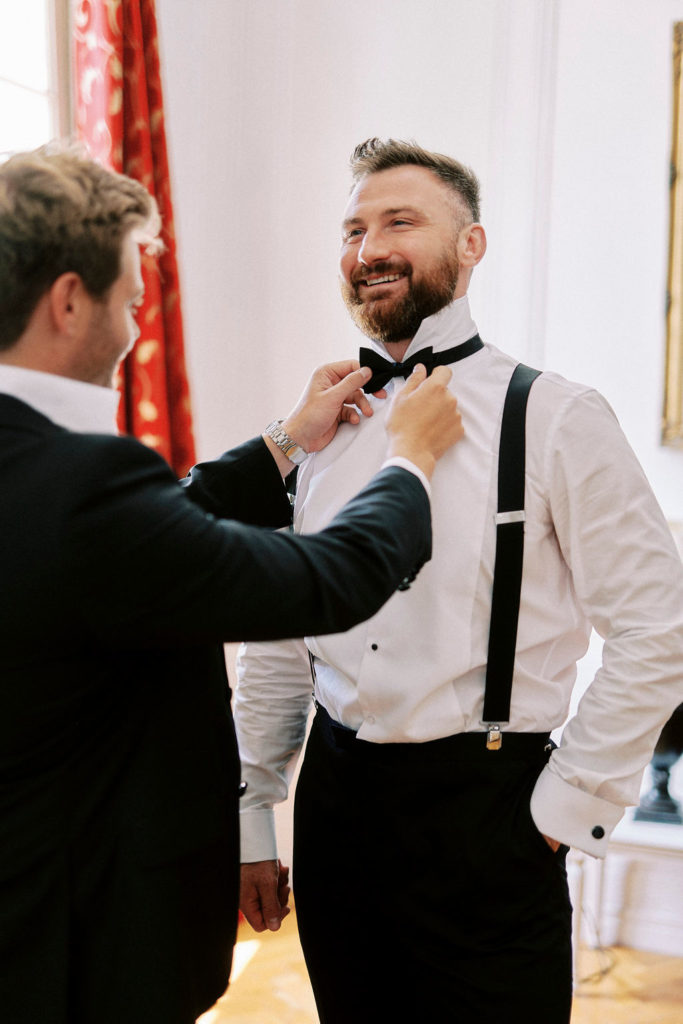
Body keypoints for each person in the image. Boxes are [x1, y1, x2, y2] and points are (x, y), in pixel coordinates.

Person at [0, 144, 465, 1024]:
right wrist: (410, 461)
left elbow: (157, 530)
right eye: (128, 303)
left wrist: (286, 442)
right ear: (68, 301)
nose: (137, 329)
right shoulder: (82, 486)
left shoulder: (45, 478)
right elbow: (329, 576)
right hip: (70, 943)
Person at [235, 138, 683, 1023]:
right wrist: (253, 811)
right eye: (352, 230)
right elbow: (283, 634)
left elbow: (654, 629)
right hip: (335, 810)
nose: (368, 250)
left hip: (489, 812)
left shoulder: (555, 415)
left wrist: (556, 812)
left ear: (470, 245)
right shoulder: (319, 423)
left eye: (399, 221)